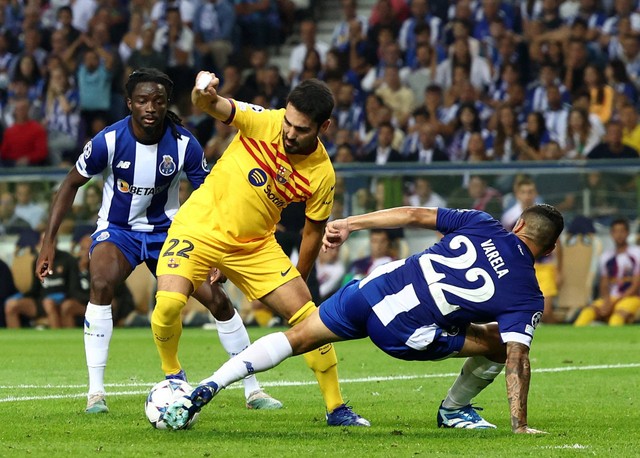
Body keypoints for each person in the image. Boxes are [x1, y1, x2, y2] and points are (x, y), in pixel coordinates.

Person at [162, 203, 564, 433]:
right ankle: (454, 410)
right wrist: (519, 424)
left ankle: (209, 385)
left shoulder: (482, 222)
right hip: (403, 331)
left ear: (520, 224)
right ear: (548, 250)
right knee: (495, 344)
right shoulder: (527, 294)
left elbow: (411, 213)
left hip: (372, 289)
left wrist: (351, 223)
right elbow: (516, 359)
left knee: (297, 336)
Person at [35, 68, 280, 414]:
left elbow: (209, 197)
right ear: (129, 104)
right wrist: (48, 242)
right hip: (118, 231)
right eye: (142, 100)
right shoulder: (108, 140)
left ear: (167, 104)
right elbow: (70, 184)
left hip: (171, 233)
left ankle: (253, 390)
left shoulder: (184, 145)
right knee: (101, 282)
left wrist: (218, 254)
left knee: (218, 301)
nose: (150, 107)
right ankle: (96, 393)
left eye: (158, 101)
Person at [151, 74, 369, 427]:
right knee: (169, 305)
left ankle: (336, 408)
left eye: (300, 129)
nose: (289, 133)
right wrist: (201, 90)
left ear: (323, 127)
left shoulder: (321, 174)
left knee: (311, 320)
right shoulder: (263, 120)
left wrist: (299, 279)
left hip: (254, 247)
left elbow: (312, 231)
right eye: (288, 122)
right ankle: (173, 377)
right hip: (199, 228)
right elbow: (210, 105)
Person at [574, 217, 640, 326]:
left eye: (622, 231)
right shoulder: (606, 257)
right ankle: (575, 342)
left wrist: (614, 303)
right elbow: (604, 284)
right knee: (586, 313)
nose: (619, 235)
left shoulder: (637, 254)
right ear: (611, 234)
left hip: (631, 298)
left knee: (617, 318)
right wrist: (607, 301)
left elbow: (636, 285)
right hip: (610, 298)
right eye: (616, 231)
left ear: (627, 233)